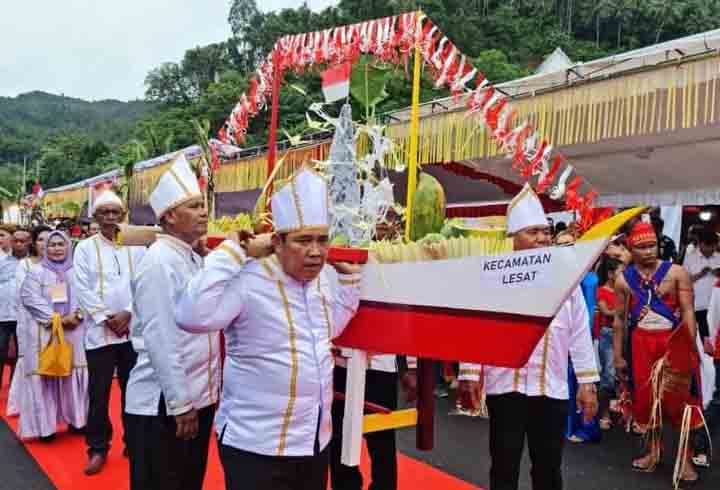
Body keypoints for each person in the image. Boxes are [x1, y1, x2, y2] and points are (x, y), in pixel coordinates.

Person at [176, 168, 362, 490]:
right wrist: (233, 252)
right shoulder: (249, 278)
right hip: (256, 447)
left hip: (313, 444)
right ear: (277, 242)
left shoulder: (320, 282)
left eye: (322, 240)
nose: (315, 252)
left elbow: (331, 327)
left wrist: (348, 281)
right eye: (303, 240)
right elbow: (191, 316)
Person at [457, 183, 599, 490]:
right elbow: (477, 326)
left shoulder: (565, 277)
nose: (542, 238)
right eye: (532, 232)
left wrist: (587, 383)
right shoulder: (493, 276)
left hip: (552, 387)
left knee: (548, 469)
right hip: (506, 385)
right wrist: (469, 373)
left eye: (545, 232)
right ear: (514, 237)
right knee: (503, 467)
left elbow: (579, 332)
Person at [124, 154, 221, 490]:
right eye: (193, 206)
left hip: (197, 397)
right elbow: (161, 337)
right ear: (169, 216)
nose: (204, 212)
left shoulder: (191, 257)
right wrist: (180, 402)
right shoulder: (159, 262)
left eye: (203, 205)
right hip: (163, 403)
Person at [613, 222, 702, 484]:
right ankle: (654, 452)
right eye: (642, 247)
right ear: (632, 249)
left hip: (672, 342)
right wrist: (618, 356)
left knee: (682, 400)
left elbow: (688, 311)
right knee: (646, 399)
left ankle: (685, 459)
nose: (649, 251)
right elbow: (619, 320)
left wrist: (690, 345)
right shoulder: (623, 280)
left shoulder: (677, 273)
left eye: (652, 245)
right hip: (640, 344)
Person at [74, 190, 145, 475]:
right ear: (96, 216)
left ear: (123, 215)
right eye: (105, 212)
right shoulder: (85, 248)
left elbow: (144, 281)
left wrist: (128, 312)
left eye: (115, 212)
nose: (110, 217)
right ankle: (98, 448)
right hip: (99, 332)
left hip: (132, 329)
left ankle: (134, 442)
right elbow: (81, 286)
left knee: (135, 390)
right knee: (98, 393)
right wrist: (105, 318)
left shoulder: (136, 246)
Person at [19, 231, 88, 440]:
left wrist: (77, 315)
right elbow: (29, 298)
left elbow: (89, 295)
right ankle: (45, 429)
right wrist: (55, 319)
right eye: (52, 244)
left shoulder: (79, 271)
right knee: (45, 376)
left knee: (73, 373)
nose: (57, 249)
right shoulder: (36, 272)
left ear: (69, 246)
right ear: (44, 248)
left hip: (75, 330)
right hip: (44, 331)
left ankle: (78, 421)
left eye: (61, 244)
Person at [7, 225, 51, 417]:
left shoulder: (58, 265)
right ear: (34, 242)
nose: (45, 244)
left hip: (56, 322)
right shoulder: (25, 265)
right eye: (41, 239)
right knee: (30, 361)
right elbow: (23, 295)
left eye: (50, 240)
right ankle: (27, 405)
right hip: (29, 321)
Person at [0, 228, 32, 389]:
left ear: (29, 242)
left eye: (22, 241)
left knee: (22, 355)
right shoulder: (2, 261)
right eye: (15, 241)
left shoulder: (34, 263)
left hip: (26, 316)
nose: (19, 244)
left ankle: (17, 391)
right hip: (3, 316)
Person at [595, 257, 624, 429]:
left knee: (626, 375)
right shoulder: (601, 291)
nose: (624, 276)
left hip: (625, 333)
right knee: (608, 375)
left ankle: (628, 413)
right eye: (621, 272)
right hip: (608, 334)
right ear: (610, 274)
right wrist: (624, 310)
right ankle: (604, 413)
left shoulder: (625, 290)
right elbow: (605, 311)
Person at [683, 228, 720, 358]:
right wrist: (700, 274)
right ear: (700, 244)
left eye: (713, 246)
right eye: (707, 246)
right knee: (704, 342)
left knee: (716, 338)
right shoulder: (690, 258)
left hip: (717, 306)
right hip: (699, 306)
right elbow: (684, 281)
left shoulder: (719, 257)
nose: (710, 249)